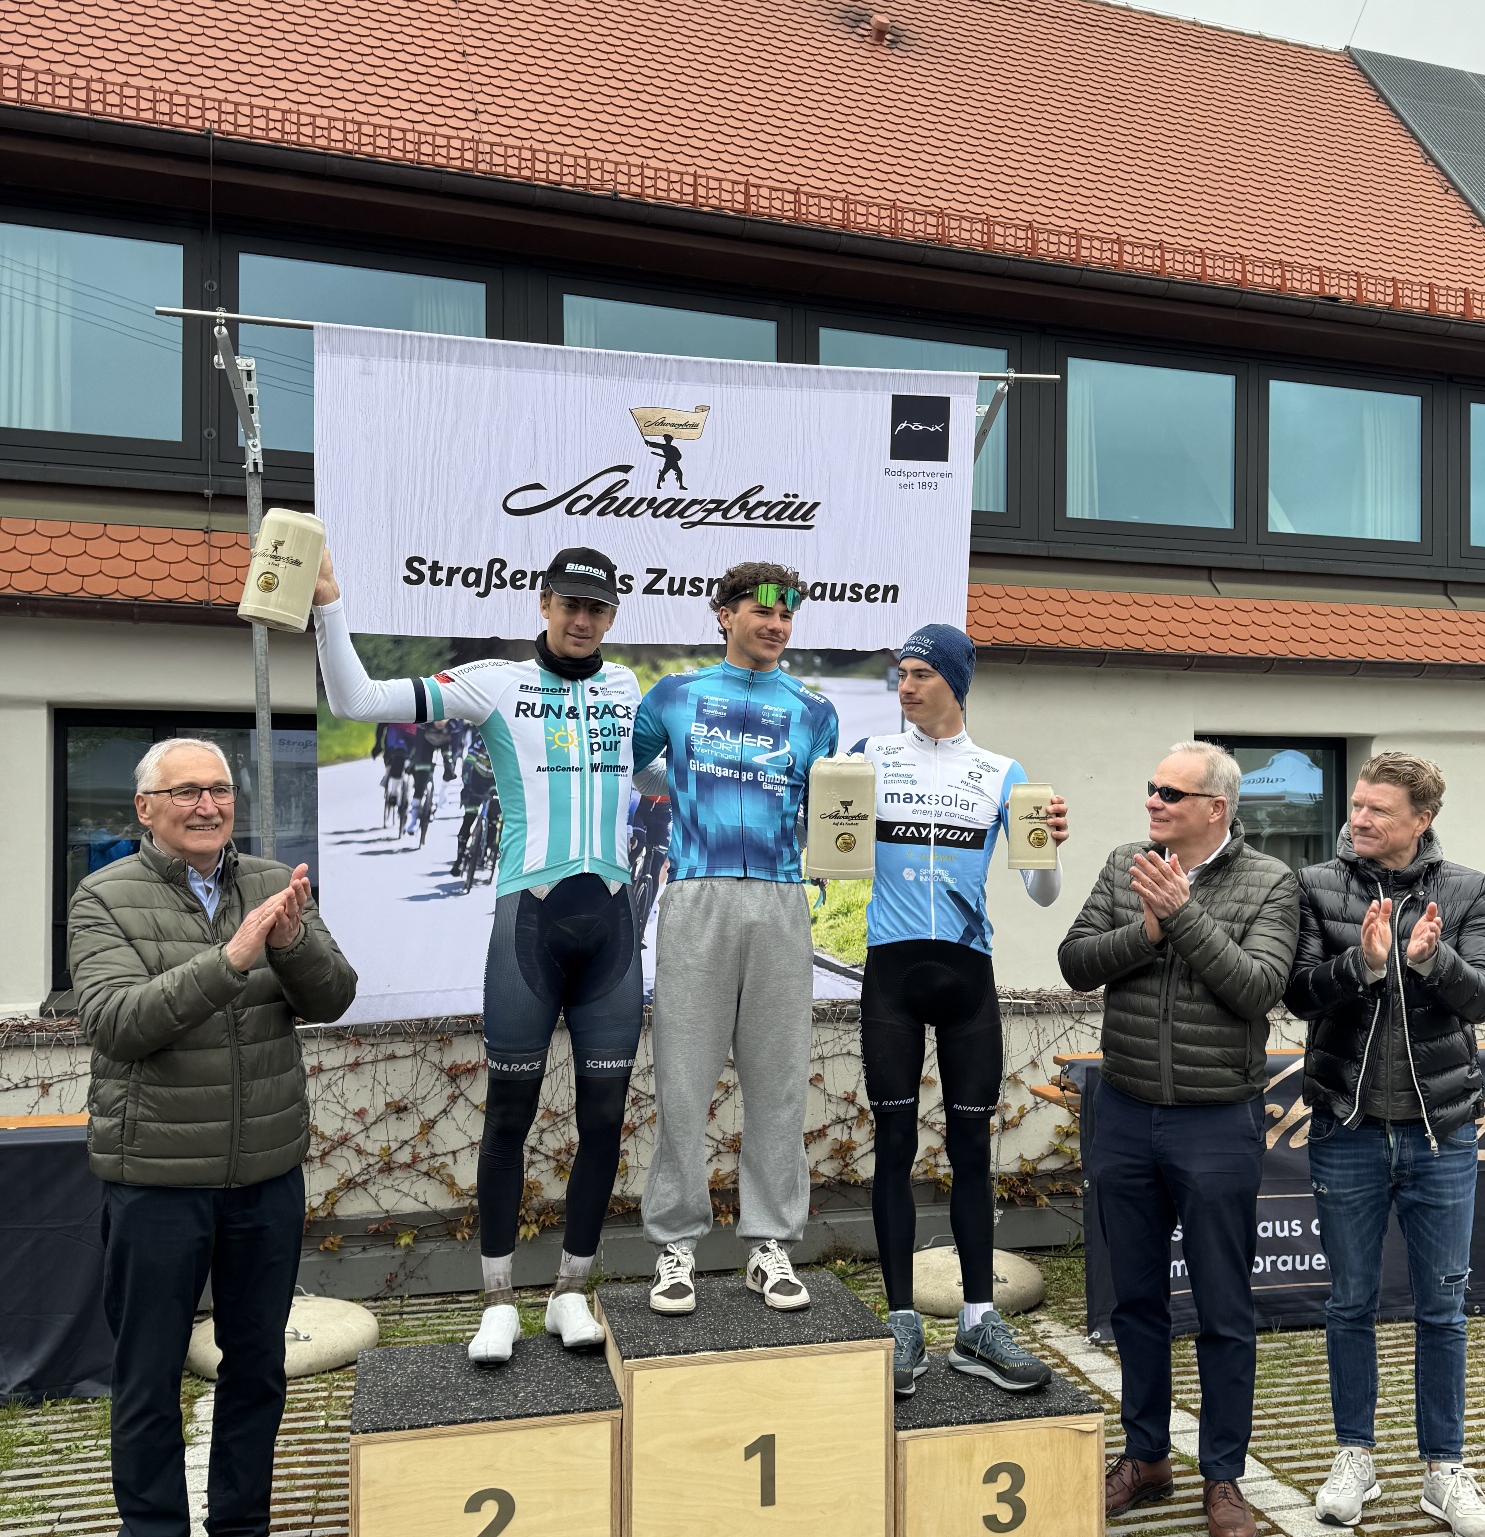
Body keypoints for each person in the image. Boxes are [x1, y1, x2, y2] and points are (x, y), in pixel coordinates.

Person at [314, 545, 642, 1367]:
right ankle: (497, 1301)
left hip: (612, 926)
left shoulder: (627, 687)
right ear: (544, 603)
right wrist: (328, 604)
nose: (581, 620)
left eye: (596, 608)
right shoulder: (495, 683)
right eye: (569, 603)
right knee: (507, 1118)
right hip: (530, 924)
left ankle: (571, 1290)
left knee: (605, 1120)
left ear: (611, 616)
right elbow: (357, 699)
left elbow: (671, 773)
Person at [68, 740, 357, 1537]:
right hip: (155, 1179)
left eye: (220, 789)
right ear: (145, 808)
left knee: (257, 1369)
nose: (207, 804)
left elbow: (335, 997)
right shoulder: (104, 897)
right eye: (186, 790)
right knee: (147, 1377)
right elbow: (116, 1023)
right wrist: (231, 958)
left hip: (264, 1173)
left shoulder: (271, 883)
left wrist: (292, 941)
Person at [1059, 741, 1299, 1537]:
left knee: (1225, 1308)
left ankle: (1223, 1475)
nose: (1153, 801)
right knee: (1135, 1302)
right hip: (1125, 1112)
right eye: (1152, 788)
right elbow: (1075, 963)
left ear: (1216, 808)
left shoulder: (1270, 882)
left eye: (1171, 792)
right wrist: (1148, 928)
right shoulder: (1126, 863)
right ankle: (1147, 1455)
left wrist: (1183, 917)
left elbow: (1257, 990)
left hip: (1216, 1121)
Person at [1286, 753, 1485, 1537]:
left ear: (1422, 819)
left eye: (1379, 809)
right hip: (1346, 1129)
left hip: (1440, 1134)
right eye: (1356, 804)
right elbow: (1296, 991)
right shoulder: (1316, 886)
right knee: (1350, 1302)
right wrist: (1365, 965)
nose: (1359, 819)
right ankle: (1355, 1456)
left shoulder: (1469, 889)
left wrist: (1429, 961)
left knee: (1443, 1308)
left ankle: (1445, 1469)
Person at [851, 624, 1068, 1395]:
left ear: (956, 683)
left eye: (920, 673)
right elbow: (830, 857)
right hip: (891, 976)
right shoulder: (868, 758)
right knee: (894, 1146)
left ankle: (978, 1323)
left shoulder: (1003, 773)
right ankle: (902, 1323)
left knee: (973, 1150)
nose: (905, 686)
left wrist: (1051, 846)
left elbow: (1042, 891)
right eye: (900, 673)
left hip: (968, 975)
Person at [631, 563, 838, 1315]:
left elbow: (829, 808)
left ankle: (769, 1244)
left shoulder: (815, 710)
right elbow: (641, 771)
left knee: (778, 1083)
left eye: (787, 616)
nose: (777, 626)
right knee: (683, 1080)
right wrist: (686, 792)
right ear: (724, 615)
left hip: (781, 897)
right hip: (697, 893)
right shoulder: (674, 695)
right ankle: (675, 1248)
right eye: (762, 612)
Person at [451, 731, 500, 877]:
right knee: (468, 818)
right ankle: (459, 859)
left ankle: (489, 849)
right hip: (477, 780)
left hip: (495, 780)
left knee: (494, 818)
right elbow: (468, 762)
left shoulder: (508, 741)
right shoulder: (480, 738)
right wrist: (466, 785)